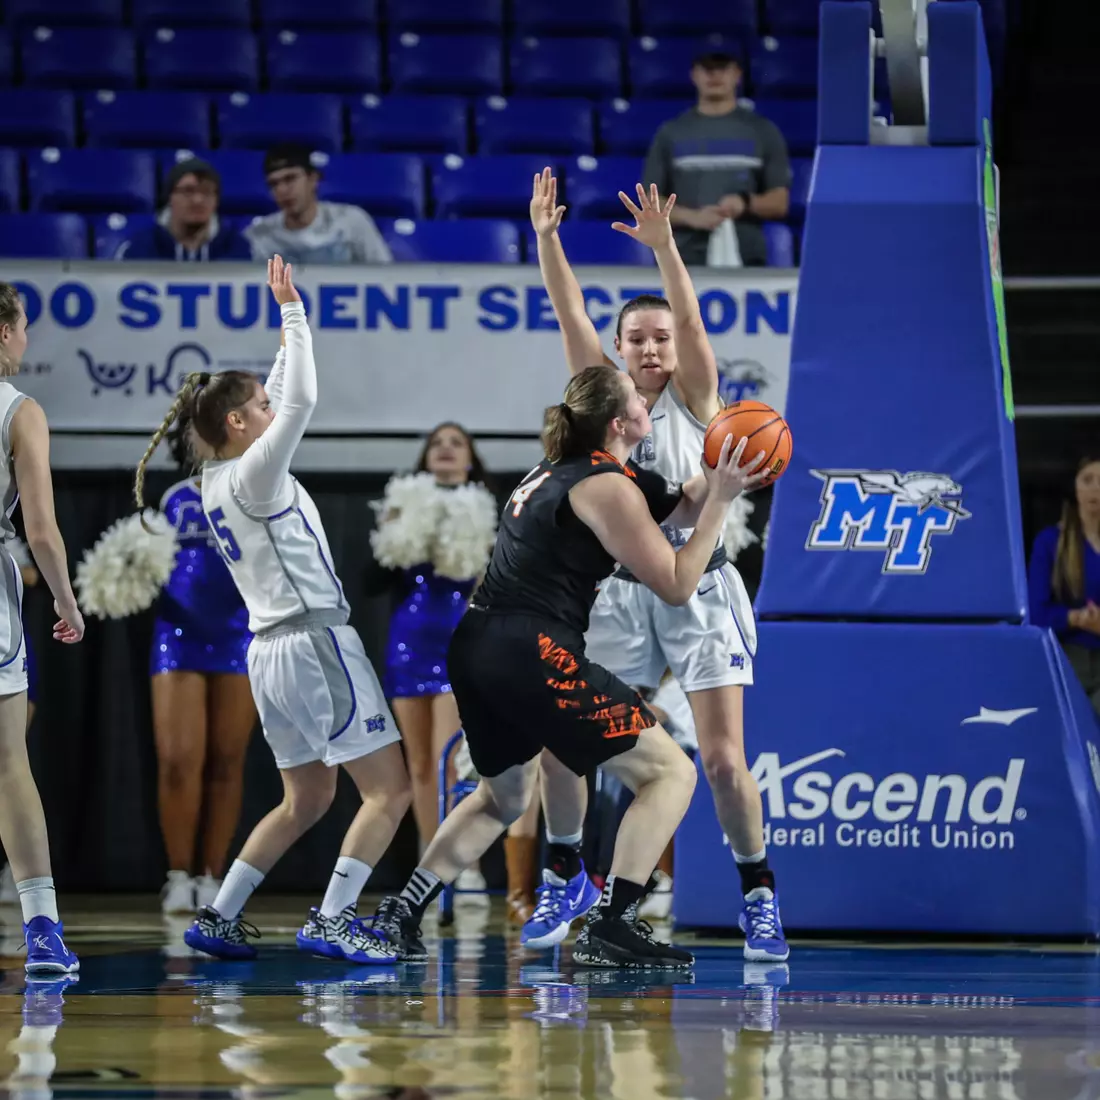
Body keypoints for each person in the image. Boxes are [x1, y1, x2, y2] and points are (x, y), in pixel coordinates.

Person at [367, 363, 767, 967]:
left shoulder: (566, 471)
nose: (646, 399)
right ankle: (613, 923)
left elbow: (675, 507)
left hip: (476, 647)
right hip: (534, 650)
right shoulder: (608, 487)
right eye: (637, 397)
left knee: (500, 798)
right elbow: (680, 583)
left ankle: (402, 913)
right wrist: (727, 503)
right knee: (671, 775)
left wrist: (714, 479)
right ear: (621, 421)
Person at [523, 170, 789, 964]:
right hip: (622, 594)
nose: (648, 348)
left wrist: (669, 247)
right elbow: (571, 314)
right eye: (635, 338)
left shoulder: (701, 395)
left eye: (659, 338)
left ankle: (758, 893)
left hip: (700, 588)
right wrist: (546, 239)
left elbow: (695, 321)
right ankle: (566, 868)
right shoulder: (603, 401)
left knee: (720, 759)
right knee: (565, 738)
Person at [133, 256, 410, 964]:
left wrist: (285, 333)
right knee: (389, 791)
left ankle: (218, 915)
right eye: (256, 406)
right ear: (236, 422)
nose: (269, 407)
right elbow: (300, 403)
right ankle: (334, 919)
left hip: (268, 653)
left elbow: (281, 391)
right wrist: (295, 317)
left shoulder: (219, 475)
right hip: (315, 642)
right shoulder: (257, 469)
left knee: (306, 799)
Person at [366, 424, 539, 921]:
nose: (445, 448)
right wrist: (393, 529)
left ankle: (461, 867)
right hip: (407, 644)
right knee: (418, 765)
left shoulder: (490, 510)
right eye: (437, 442)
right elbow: (372, 580)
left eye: (456, 442)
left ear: (470, 460)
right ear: (425, 458)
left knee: (448, 763)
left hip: (459, 644)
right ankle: (430, 867)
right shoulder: (403, 502)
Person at [0, 281, 84, 974]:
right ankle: (43, 931)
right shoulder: (20, 410)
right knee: (7, 765)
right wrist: (65, 600)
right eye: (24, 325)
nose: (28, 339)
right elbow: (43, 531)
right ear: (4, 332)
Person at [150, 412, 258, 915]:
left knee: (227, 760)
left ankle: (212, 873)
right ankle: (177, 874)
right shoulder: (173, 498)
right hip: (179, 632)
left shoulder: (259, 491)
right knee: (177, 760)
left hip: (240, 633)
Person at [642, 50, 791, 268]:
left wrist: (745, 203)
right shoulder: (671, 133)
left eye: (722, 68)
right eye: (707, 68)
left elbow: (780, 202)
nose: (714, 75)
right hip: (681, 259)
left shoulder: (763, 131)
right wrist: (693, 217)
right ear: (694, 75)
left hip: (748, 259)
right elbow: (650, 205)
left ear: (737, 74)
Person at [1028, 456, 1100, 718]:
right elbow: (1035, 613)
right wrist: (1076, 618)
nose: (1096, 489)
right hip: (1067, 657)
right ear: (1075, 488)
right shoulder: (1050, 542)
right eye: (1088, 480)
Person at [245, 144, 392, 265]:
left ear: (313, 179)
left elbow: (386, 276)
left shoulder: (351, 221)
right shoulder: (257, 236)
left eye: (290, 179)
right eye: (274, 184)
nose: (282, 190)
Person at [116, 157, 252, 262]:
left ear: (216, 200)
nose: (197, 200)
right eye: (188, 191)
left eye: (206, 192)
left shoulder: (237, 247)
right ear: (169, 198)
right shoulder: (140, 247)